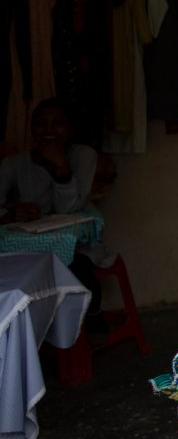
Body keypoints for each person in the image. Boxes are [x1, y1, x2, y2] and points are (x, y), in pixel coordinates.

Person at [0, 98, 106, 327]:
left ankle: (87, 318)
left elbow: (70, 210)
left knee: (76, 270)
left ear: (70, 130)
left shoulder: (83, 156)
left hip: (74, 244)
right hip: (28, 244)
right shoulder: (14, 164)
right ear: (31, 129)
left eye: (57, 123)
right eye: (41, 124)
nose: (48, 130)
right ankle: (33, 329)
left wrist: (62, 170)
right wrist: (10, 212)